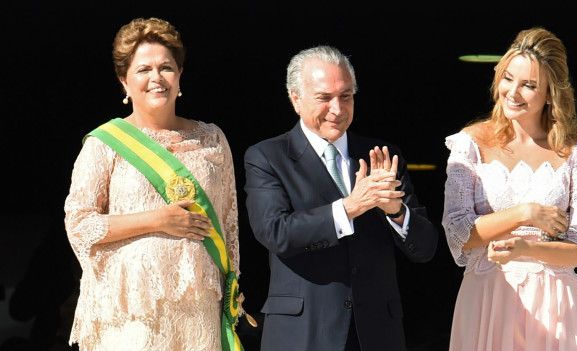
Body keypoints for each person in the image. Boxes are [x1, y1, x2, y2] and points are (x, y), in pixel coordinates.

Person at [244, 45, 438, 351]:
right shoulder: (268, 157)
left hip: (375, 333)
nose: (337, 108)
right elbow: (275, 232)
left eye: (345, 96)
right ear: (296, 98)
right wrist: (350, 207)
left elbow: (425, 247)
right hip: (303, 332)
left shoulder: (382, 155)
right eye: (324, 98)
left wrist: (395, 211)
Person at [64, 17, 241, 350]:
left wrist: (229, 299)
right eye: (143, 70)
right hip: (132, 312)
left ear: (180, 76)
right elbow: (79, 224)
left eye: (166, 68)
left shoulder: (212, 139)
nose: (157, 78)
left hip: (198, 310)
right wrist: (157, 220)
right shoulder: (104, 143)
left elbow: (229, 226)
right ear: (124, 83)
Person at [442, 27, 577, 350]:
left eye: (529, 85)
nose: (513, 92)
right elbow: (457, 232)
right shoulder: (470, 144)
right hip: (487, 294)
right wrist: (525, 214)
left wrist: (526, 249)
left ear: (550, 93)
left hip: (554, 301)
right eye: (508, 78)